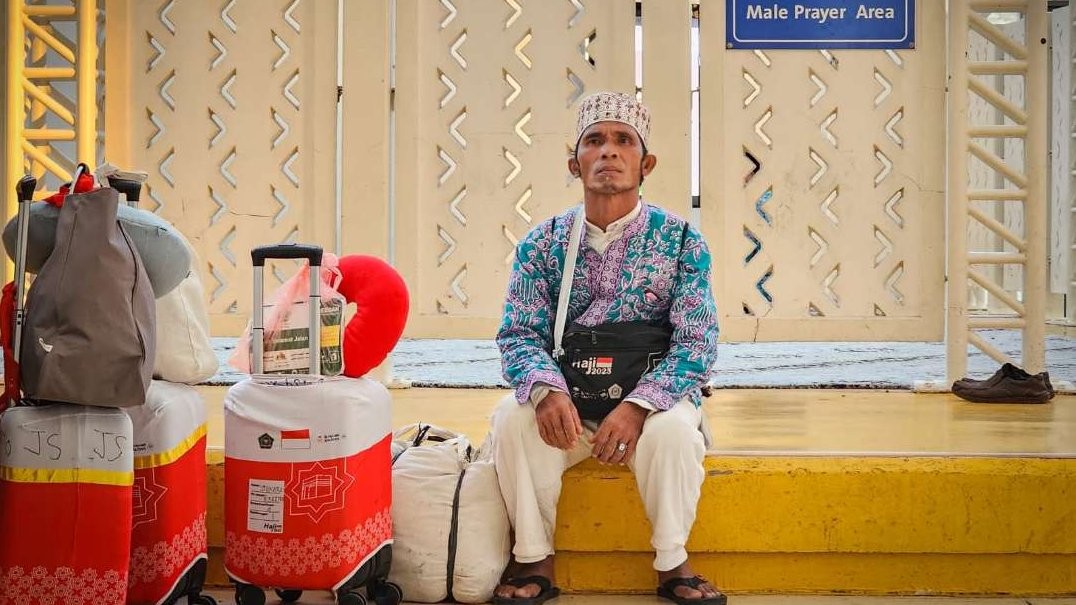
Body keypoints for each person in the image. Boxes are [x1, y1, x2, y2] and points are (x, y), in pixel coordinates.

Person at [491, 91, 724, 605]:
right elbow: (518, 333)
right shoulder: (543, 242)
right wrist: (548, 393)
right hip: (569, 406)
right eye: (594, 142)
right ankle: (533, 555)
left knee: (675, 436)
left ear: (647, 163)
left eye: (624, 141)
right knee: (510, 418)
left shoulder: (683, 241)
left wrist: (639, 406)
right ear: (576, 164)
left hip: (648, 404)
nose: (609, 153)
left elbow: (697, 342)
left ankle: (671, 562)